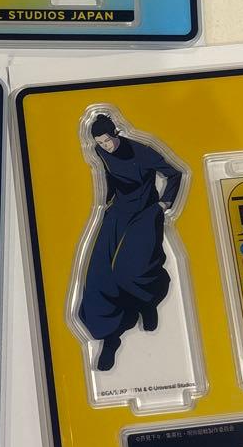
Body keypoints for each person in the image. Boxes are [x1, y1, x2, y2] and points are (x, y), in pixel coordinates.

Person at [78, 114, 183, 372]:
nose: (106, 146)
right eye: (100, 143)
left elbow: (174, 173)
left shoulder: (142, 151)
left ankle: (147, 303)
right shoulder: (101, 153)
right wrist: (105, 203)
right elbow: (110, 178)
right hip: (118, 212)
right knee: (99, 273)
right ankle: (110, 339)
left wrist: (164, 204)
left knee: (132, 270)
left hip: (146, 212)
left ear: (115, 133)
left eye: (107, 140)